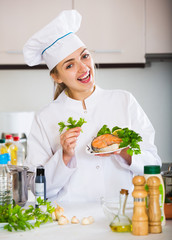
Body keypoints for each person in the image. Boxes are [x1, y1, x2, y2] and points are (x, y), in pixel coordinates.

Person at [23, 10, 161, 202]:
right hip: (70, 222)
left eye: (85, 56)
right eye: (69, 65)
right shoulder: (45, 117)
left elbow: (153, 164)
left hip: (124, 217)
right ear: (56, 76)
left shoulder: (124, 101)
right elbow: (37, 190)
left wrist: (124, 152)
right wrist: (64, 157)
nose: (84, 68)